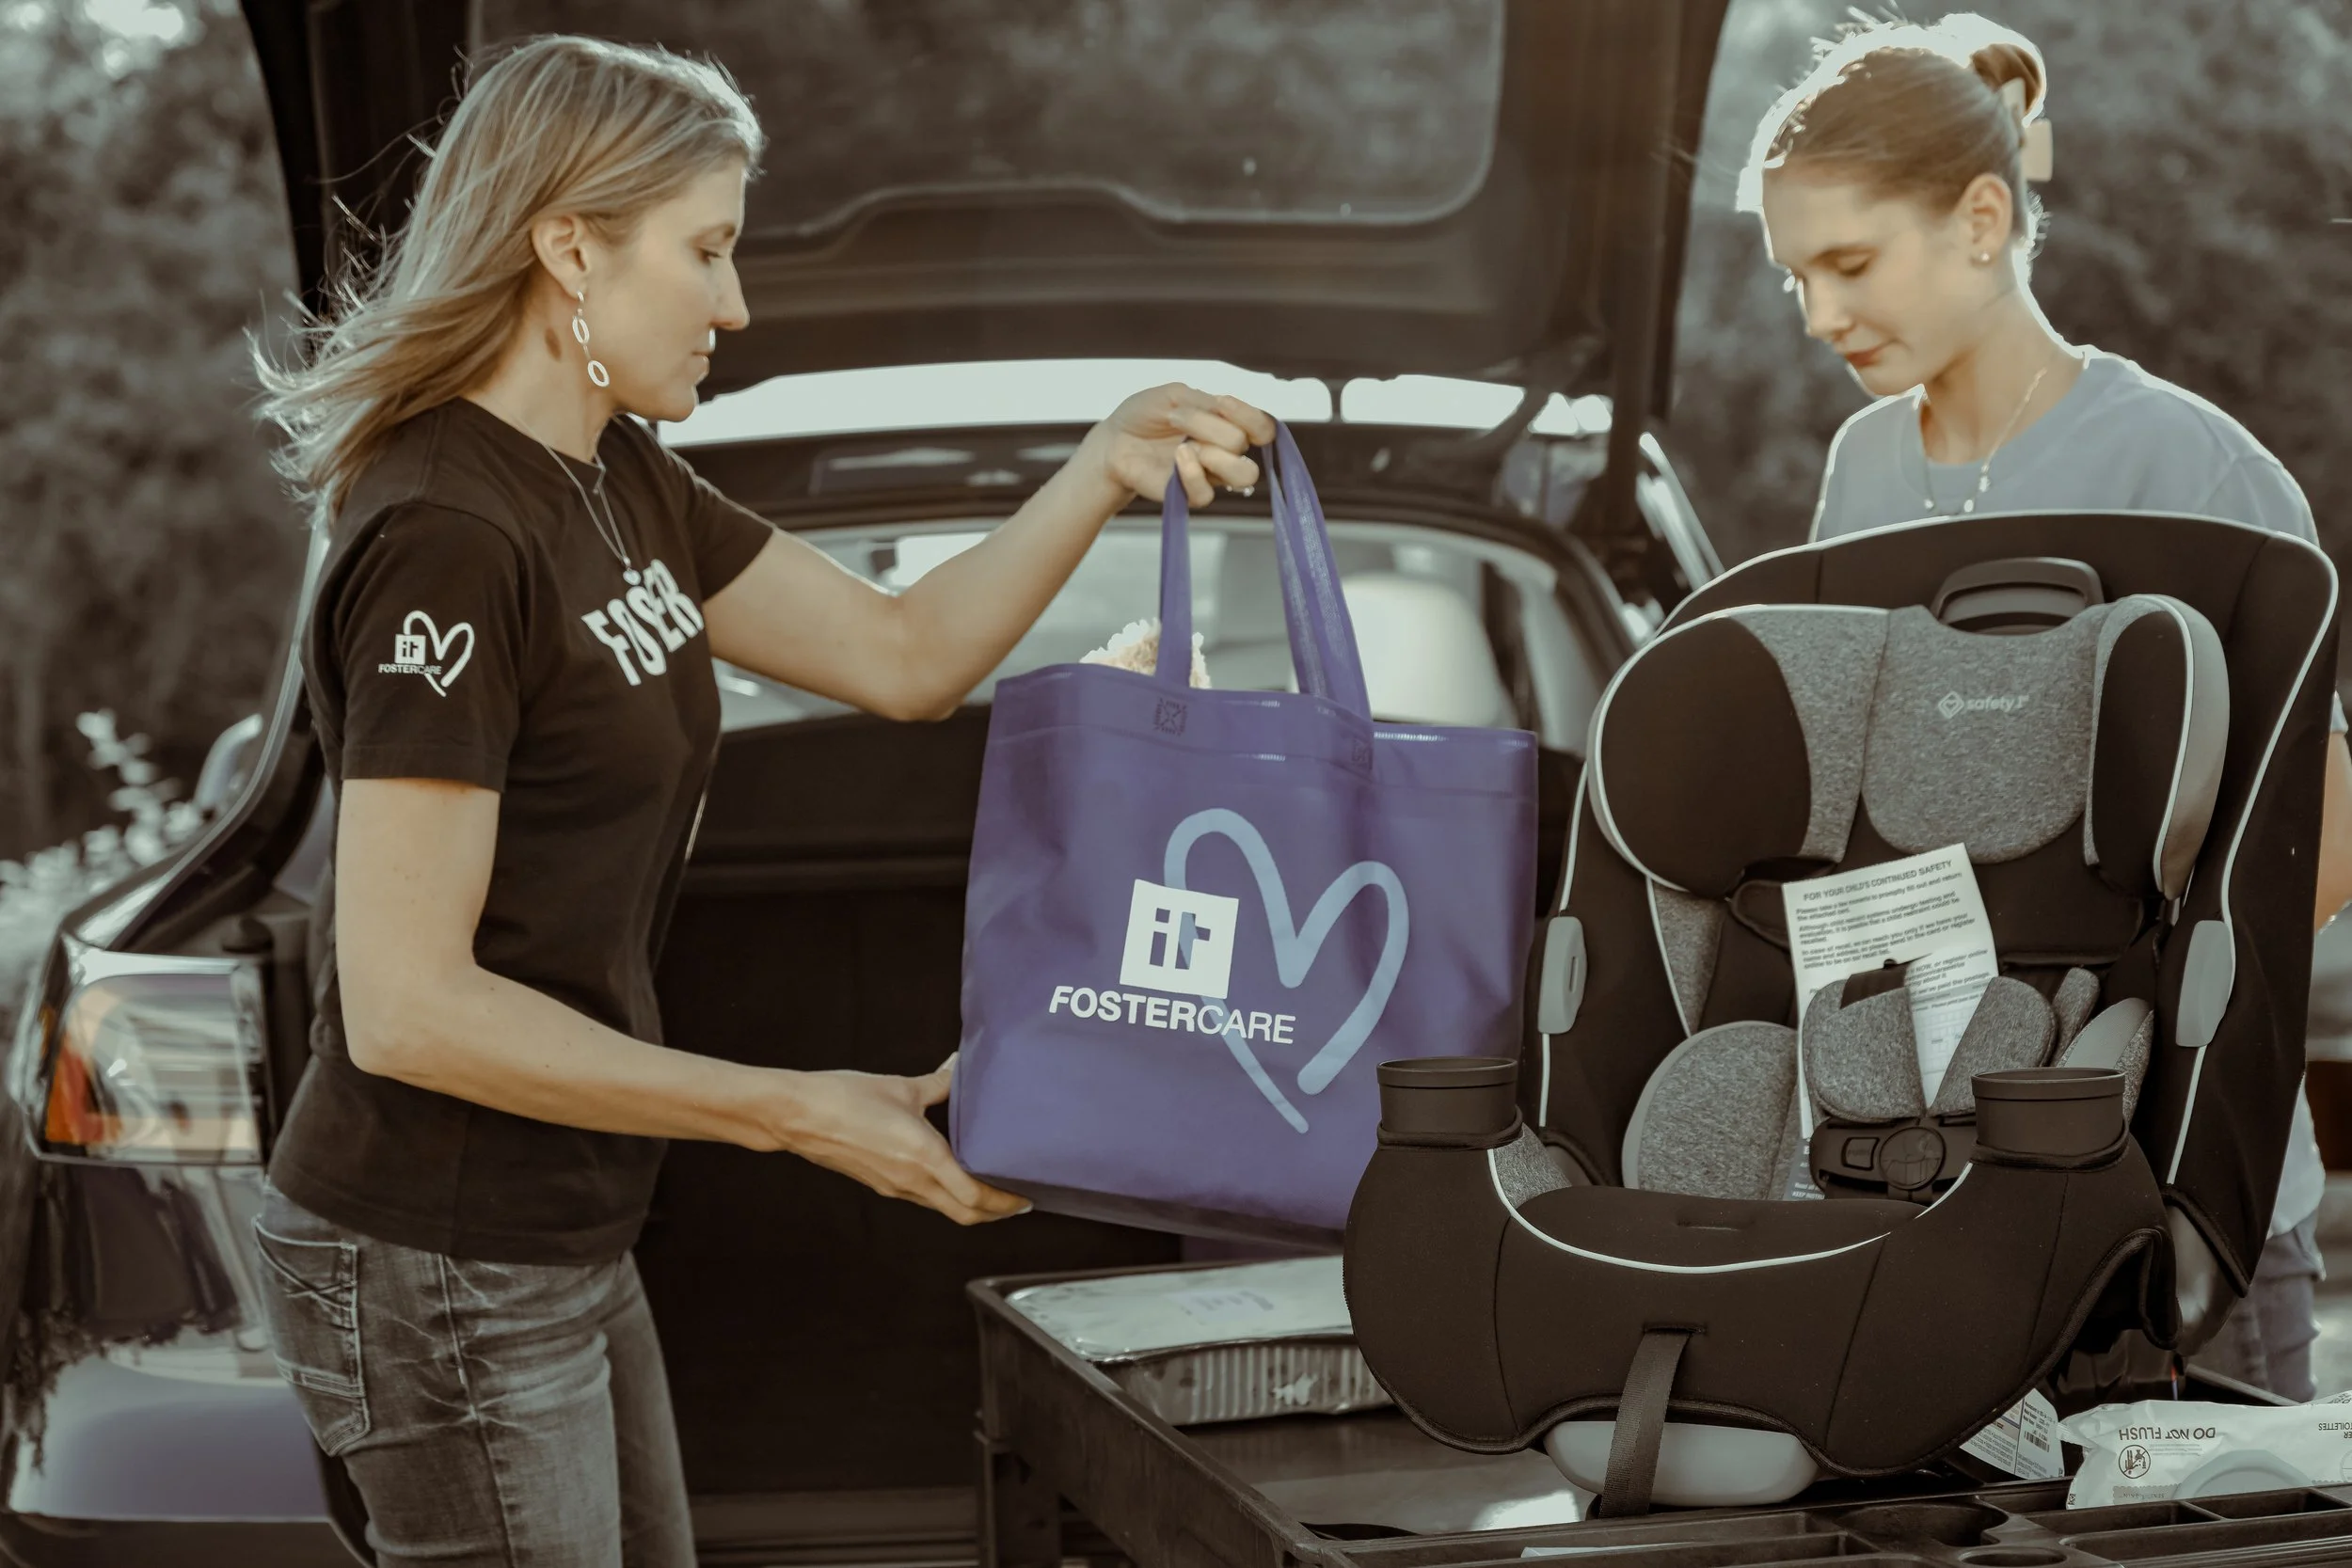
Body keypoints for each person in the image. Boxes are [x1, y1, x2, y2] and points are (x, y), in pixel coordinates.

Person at [246, 35, 1274, 1567]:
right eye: (707, 249)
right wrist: (798, 1110)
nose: (734, 305)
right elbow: (408, 1010)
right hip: (437, 1250)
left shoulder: (616, 479)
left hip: (556, 1226)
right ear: (569, 247)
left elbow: (903, 654)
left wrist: (1101, 469)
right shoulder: (447, 533)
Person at [1741, 13, 2352, 1400]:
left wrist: (2091, 986)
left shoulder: (2194, 470)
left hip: (2178, 1196)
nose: (1820, 317)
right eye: (1795, 277)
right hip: (1922, 1187)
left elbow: (2320, 847)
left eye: (1850, 265)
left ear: (1980, 220)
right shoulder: (1861, 467)